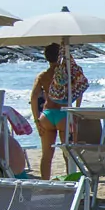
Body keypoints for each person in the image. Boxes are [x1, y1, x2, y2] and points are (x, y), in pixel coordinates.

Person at [29, 43, 89, 179]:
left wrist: (36, 120)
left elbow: (33, 98)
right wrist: (76, 111)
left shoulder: (43, 75)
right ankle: (70, 183)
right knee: (68, 154)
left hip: (47, 115)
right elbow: (79, 91)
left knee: (46, 155)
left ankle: (45, 184)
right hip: (64, 114)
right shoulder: (68, 73)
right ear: (61, 55)